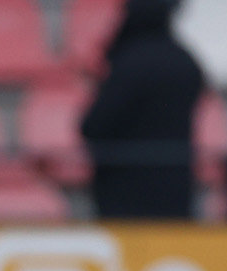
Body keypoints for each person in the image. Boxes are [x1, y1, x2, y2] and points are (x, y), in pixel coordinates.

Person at [80, 0, 205, 220]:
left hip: (123, 197)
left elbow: (93, 126)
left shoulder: (128, 63)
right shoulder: (185, 62)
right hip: (176, 192)